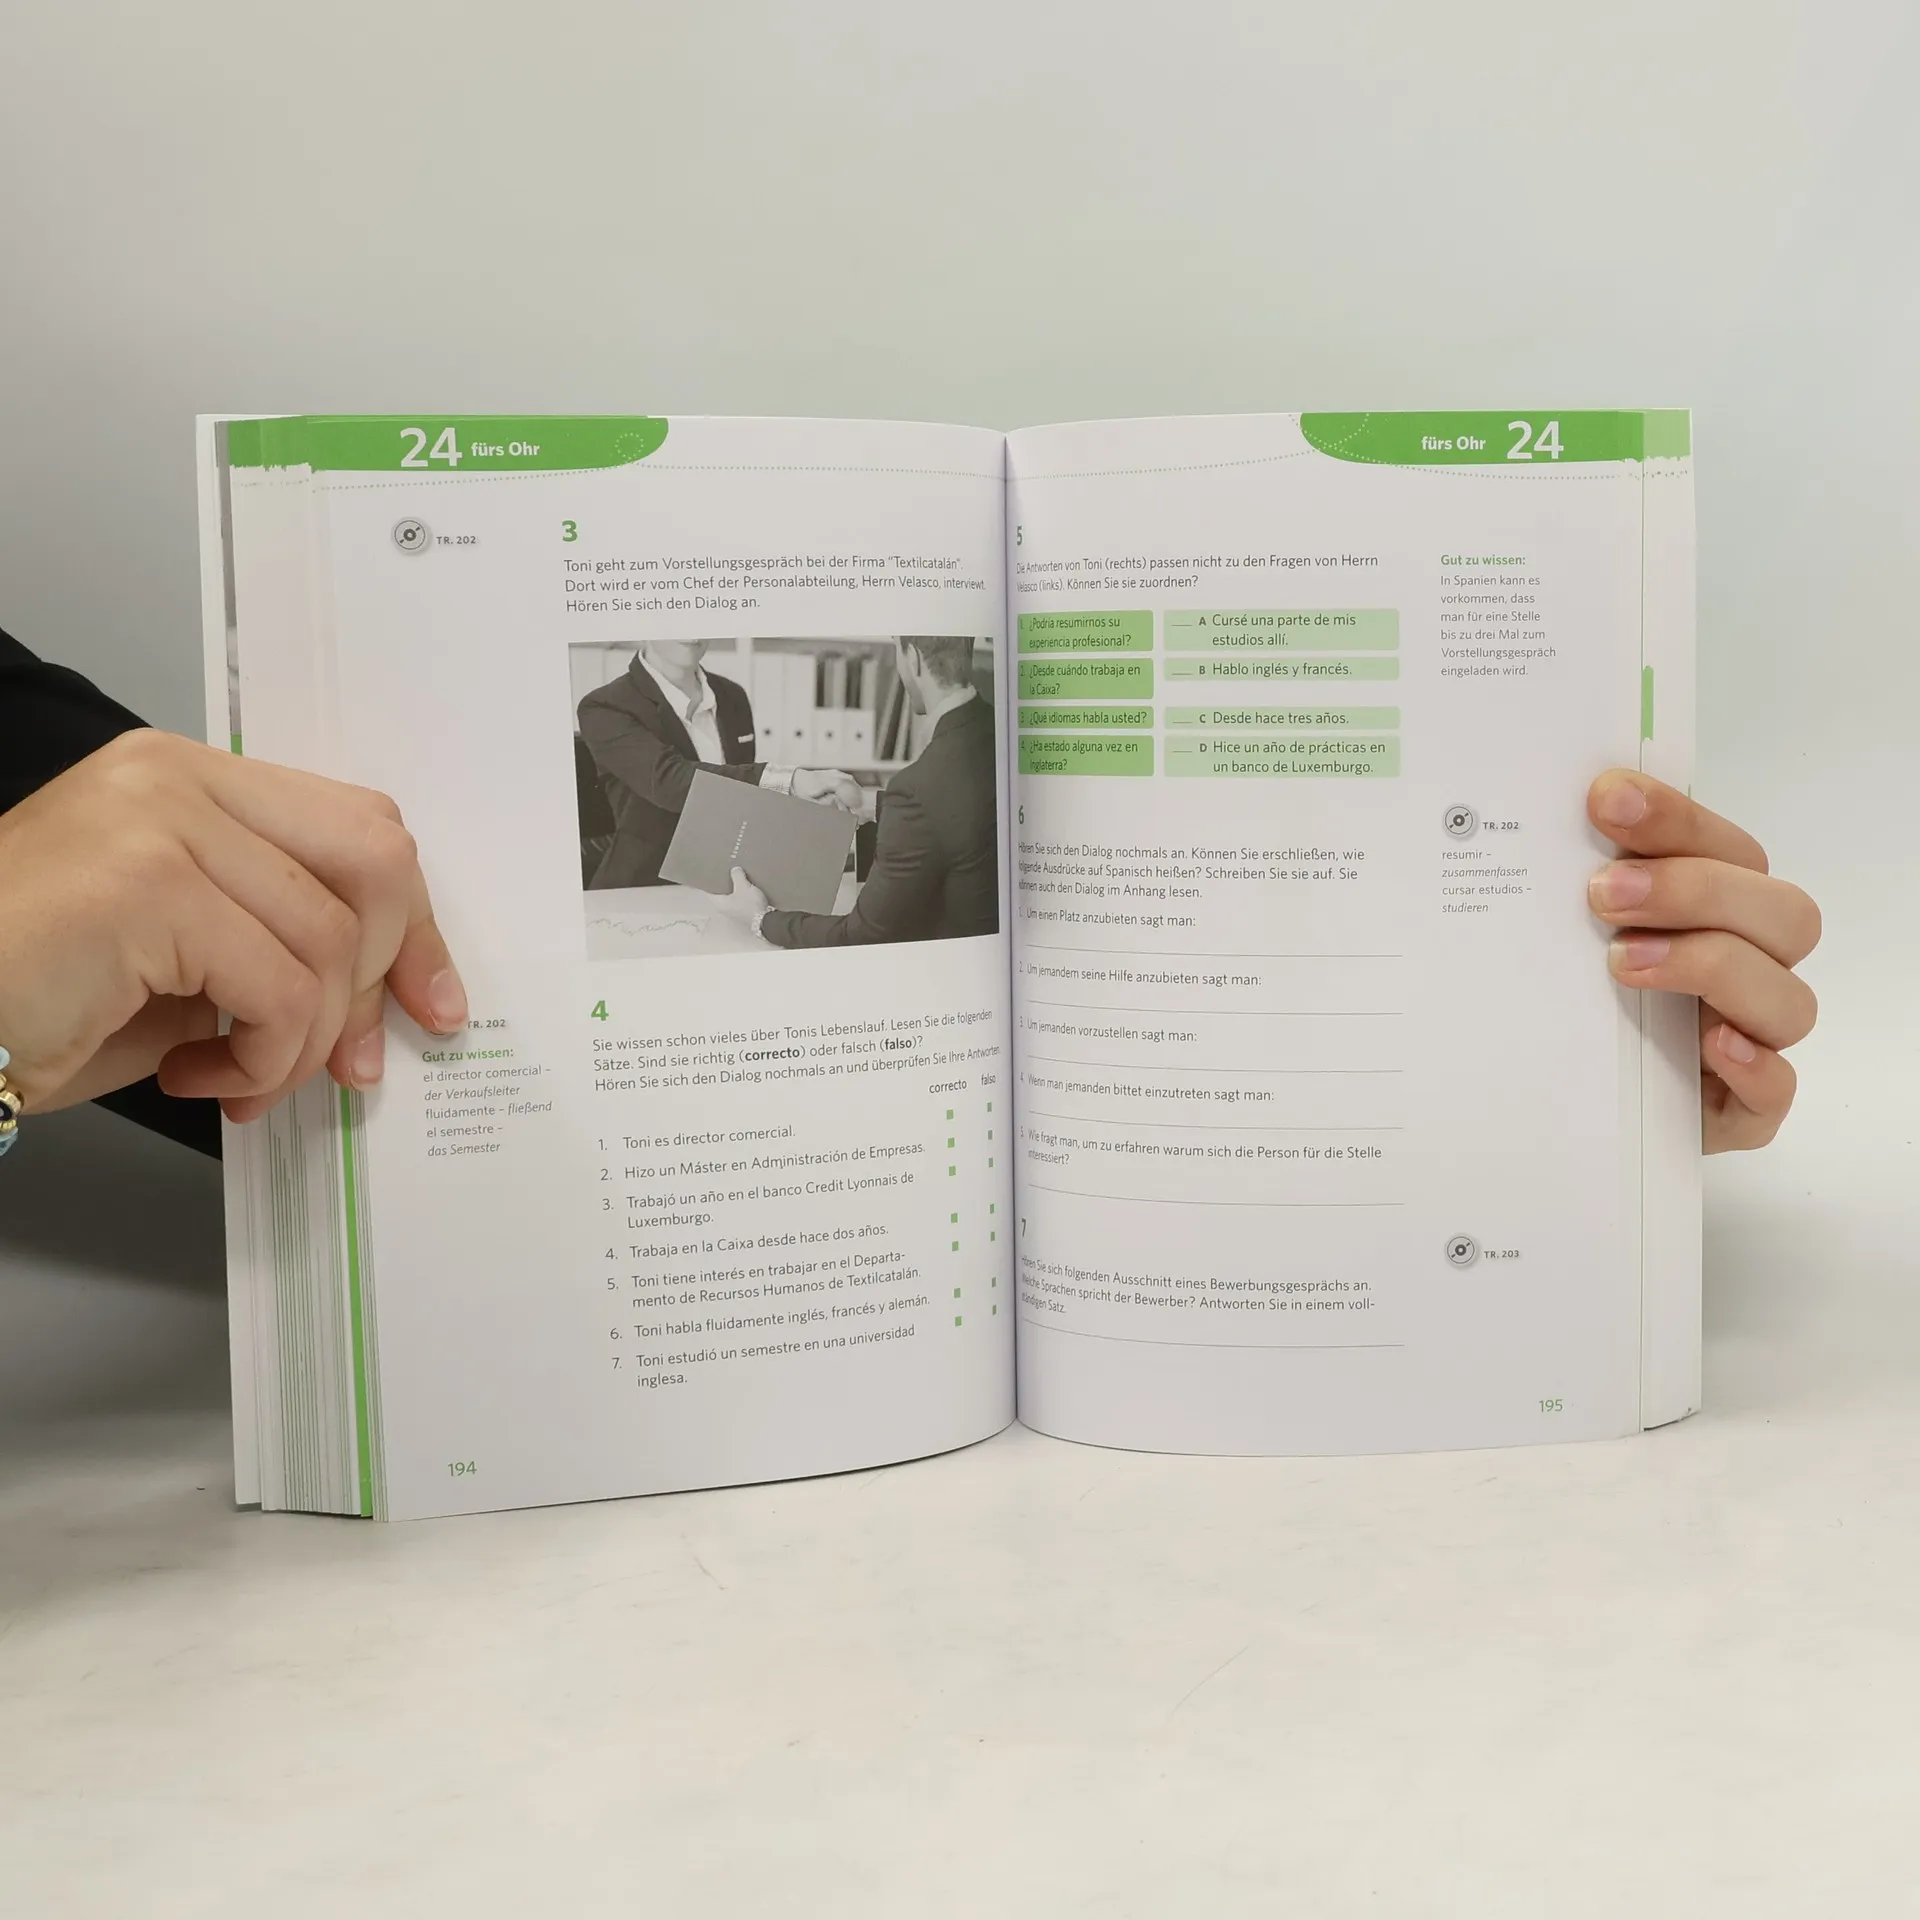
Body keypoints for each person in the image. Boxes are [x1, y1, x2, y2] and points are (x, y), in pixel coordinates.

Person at [0, 623, 1817, 1156]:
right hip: (624, 908)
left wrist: (1533, 1107)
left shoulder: (759, 711)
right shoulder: (615, 703)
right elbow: (664, 800)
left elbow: (204, 957)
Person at [720, 635, 999, 947]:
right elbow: (957, 805)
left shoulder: (917, 787)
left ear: (914, 659)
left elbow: (863, 934)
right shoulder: (995, 730)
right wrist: (870, 804)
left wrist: (760, 918)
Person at [577, 639, 857, 889]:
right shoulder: (604, 706)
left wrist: (808, 807)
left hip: (728, 883)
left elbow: (740, 796)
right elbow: (669, 782)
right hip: (643, 889)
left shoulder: (732, 695)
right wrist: (791, 781)